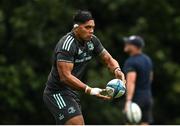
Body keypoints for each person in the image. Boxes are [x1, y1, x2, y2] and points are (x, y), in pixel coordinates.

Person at [43, 10, 126, 125]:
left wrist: (117, 70)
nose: (91, 31)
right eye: (87, 27)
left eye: (92, 27)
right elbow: (65, 77)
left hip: (71, 91)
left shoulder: (92, 41)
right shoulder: (67, 45)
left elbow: (108, 59)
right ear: (76, 27)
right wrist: (89, 90)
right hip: (57, 92)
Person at [123, 35, 153, 125]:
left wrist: (128, 101)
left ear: (134, 46)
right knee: (144, 123)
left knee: (130, 124)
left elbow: (131, 82)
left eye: (128, 43)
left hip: (136, 99)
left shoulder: (131, 61)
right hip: (147, 97)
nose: (126, 44)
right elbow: (151, 77)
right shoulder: (147, 59)